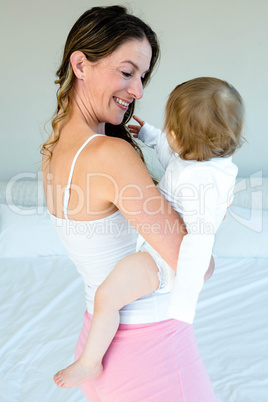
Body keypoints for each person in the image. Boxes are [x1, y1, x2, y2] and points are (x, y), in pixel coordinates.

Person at [42, 6, 217, 401]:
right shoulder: (108, 155)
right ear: (80, 64)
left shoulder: (55, 149)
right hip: (149, 356)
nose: (138, 91)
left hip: (98, 343)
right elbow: (195, 268)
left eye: (142, 77)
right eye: (126, 72)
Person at [52, 76, 244, 389]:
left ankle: (90, 361)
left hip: (165, 263)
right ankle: (90, 358)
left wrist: (184, 303)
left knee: (107, 296)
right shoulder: (202, 159)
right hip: (159, 252)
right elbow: (172, 156)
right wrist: (150, 134)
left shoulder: (205, 185)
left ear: (182, 138)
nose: (168, 137)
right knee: (108, 295)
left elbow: (197, 246)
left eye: (171, 130)